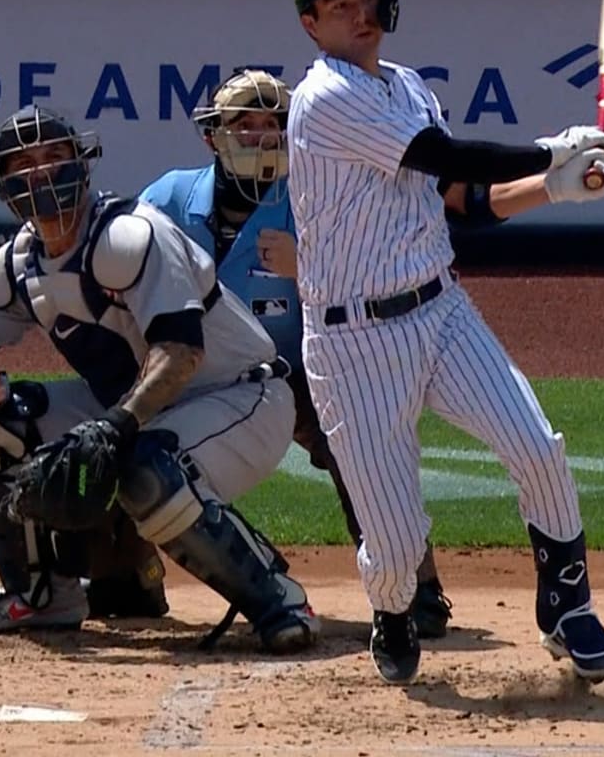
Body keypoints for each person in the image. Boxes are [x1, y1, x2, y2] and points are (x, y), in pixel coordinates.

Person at [285, 0, 604, 685]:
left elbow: (460, 203)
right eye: (339, 5)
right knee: (398, 543)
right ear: (313, 24)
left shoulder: (405, 83)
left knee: (538, 444)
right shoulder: (323, 97)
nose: (359, 14)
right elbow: (448, 155)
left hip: (442, 312)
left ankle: (568, 609)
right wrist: (549, 148)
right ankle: (393, 610)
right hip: (354, 345)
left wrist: (556, 187)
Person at [0, 104, 320, 653]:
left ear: (82, 165)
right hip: (142, 408)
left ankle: (278, 598)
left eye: (54, 157)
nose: (40, 174)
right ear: (4, 184)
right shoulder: (18, 263)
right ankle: (44, 595)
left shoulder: (129, 239)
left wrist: (115, 427)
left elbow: (181, 352)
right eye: (25, 164)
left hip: (241, 396)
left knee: (146, 469)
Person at [141, 68, 458, 639]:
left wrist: (308, 267)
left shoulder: (320, 199)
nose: (261, 136)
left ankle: (415, 586)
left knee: (362, 440)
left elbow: (376, 276)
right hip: (196, 374)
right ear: (213, 135)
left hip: (304, 370)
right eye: (244, 124)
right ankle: (126, 574)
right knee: (119, 434)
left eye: (274, 125)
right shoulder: (166, 199)